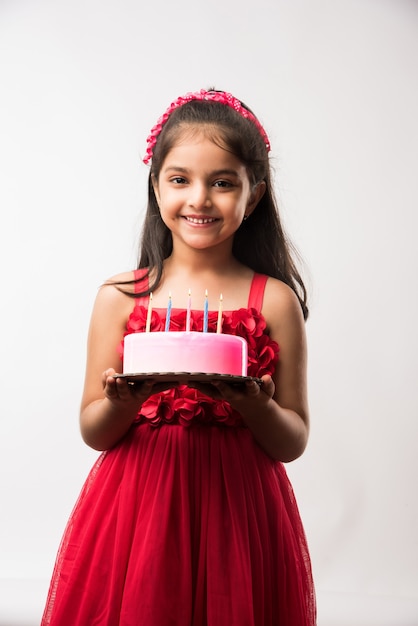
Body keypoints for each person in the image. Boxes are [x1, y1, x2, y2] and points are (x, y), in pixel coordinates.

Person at [41, 88, 316, 625]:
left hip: (239, 510)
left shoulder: (274, 300)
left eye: (223, 182)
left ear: (253, 196)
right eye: (180, 179)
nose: (200, 199)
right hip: (136, 507)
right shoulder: (121, 297)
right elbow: (94, 430)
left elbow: (293, 440)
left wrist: (256, 405)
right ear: (155, 185)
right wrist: (125, 401)